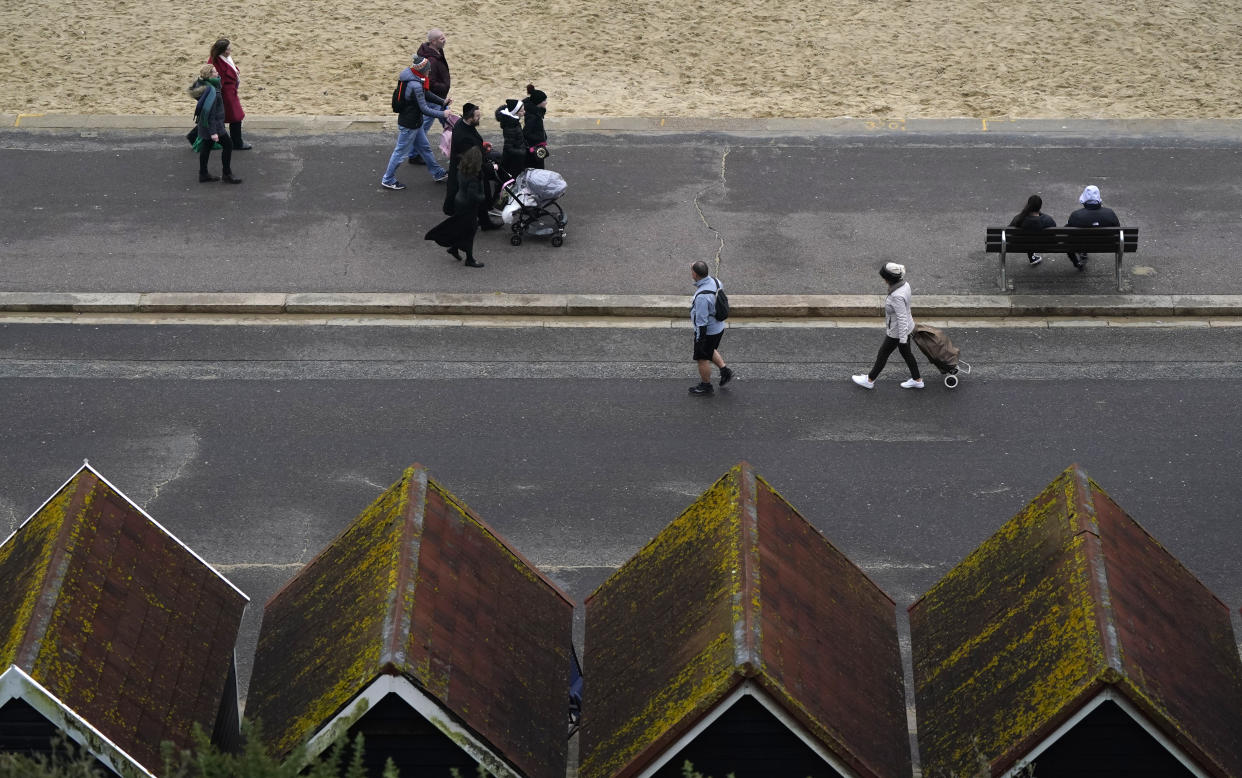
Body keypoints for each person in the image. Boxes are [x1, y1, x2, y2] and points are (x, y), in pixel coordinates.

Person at [381, 55, 449, 190]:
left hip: (414, 123)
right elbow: (424, 108)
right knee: (400, 153)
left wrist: (442, 101)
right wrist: (443, 113)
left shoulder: (413, 77)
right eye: (428, 70)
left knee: (425, 148)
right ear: (423, 69)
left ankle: (438, 173)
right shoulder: (415, 84)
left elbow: (426, 94)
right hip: (410, 125)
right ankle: (388, 179)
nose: (430, 72)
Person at [852, 263, 922, 390]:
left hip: (897, 331)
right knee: (907, 354)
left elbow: (901, 318)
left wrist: (902, 339)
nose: (883, 280)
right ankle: (917, 379)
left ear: (890, 278)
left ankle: (869, 380)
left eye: (884, 277)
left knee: (883, 353)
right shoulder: (905, 285)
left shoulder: (896, 296)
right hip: (906, 327)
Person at [425, 145, 486, 268]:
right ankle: (469, 259)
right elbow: (473, 197)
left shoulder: (461, 169)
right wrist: (483, 197)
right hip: (468, 208)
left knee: (462, 228)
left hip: (459, 201)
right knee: (470, 231)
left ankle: (454, 248)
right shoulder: (473, 178)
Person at [442, 103, 499, 229]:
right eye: (477, 116)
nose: (479, 118)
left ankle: (484, 222)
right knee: (473, 199)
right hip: (469, 172)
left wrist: (482, 145)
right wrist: (491, 168)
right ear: (469, 117)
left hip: (468, 170)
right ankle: (477, 224)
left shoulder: (462, 125)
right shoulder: (463, 136)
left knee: (477, 199)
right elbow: (473, 159)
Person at [688, 260, 733, 395]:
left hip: (708, 332)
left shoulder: (702, 296)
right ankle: (725, 371)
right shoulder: (716, 281)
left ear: (695, 274)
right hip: (719, 328)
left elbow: (701, 322)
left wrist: (699, 340)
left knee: (702, 358)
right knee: (710, 349)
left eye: (692, 271)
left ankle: (706, 386)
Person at [192, 64, 242, 184]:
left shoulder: (203, 85)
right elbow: (211, 114)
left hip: (204, 125)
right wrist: (213, 132)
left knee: (206, 147)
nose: (217, 73)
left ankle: (203, 174)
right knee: (228, 145)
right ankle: (227, 174)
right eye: (215, 72)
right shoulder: (213, 92)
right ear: (210, 75)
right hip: (214, 126)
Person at [412, 29, 451, 166]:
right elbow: (431, 83)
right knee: (423, 128)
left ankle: (455, 149)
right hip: (434, 99)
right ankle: (414, 155)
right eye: (441, 38)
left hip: (441, 98)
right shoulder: (431, 60)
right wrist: (443, 87)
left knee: (449, 123)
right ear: (433, 41)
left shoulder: (436, 51)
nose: (444, 39)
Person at [209, 39, 251, 151]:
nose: (230, 50)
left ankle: (194, 137)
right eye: (228, 49)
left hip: (229, 91)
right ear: (222, 51)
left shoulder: (222, 58)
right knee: (235, 117)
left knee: (218, 117)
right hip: (225, 94)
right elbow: (216, 80)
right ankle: (237, 143)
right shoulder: (215, 62)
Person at [1066, 185, 1121, 270]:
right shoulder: (1110, 213)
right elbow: (1118, 230)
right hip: (1106, 244)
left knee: (1070, 239)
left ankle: (1077, 263)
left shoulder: (1076, 215)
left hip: (1081, 243)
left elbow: (1067, 233)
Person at [1008, 194, 1056, 265]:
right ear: (1040, 207)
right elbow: (1054, 232)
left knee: (1028, 238)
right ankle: (1032, 258)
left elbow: (1008, 231)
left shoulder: (1019, 219)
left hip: (1021, 245)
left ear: (1028, 205)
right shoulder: (1047, 220)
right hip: (1044, 246)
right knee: (1032, 238)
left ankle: (1032, 257)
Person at [495, 99, 527, 178]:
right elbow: (508, 148)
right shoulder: (510, 127)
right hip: (513, 161)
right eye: (522, 111)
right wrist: (522, 152)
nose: (524, 112)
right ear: (515, 112)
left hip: (516, 158)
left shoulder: (514, 122)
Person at [522, 84, 549, 170]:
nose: (546, 102)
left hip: (537, 146)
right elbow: (526, 133)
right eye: (544, 100)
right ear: (538, 102)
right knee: (538, 168)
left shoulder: (536, 113)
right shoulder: (533, 116)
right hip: (535, 148)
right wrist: (539, 138)